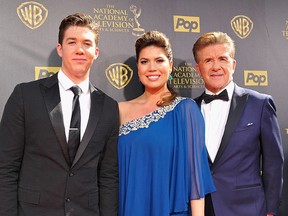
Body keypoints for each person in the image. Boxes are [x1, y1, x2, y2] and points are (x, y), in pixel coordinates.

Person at [0, 13, 119, 216]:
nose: (80, 50)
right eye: (72, 42)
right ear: (60, 49)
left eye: (87, 44)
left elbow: (108, 177)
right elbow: (6, 168)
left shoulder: (108, 107)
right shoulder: (25, 95)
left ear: (96, 52)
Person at [118, 30, 215, 216]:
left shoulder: (185, 110)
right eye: (144, 61)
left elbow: (195, 178)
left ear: (170, 66)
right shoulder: (119, 110)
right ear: (138, 68)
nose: (152, 68)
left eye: (159, 60)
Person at [193, 31, 284, 216]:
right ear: (198, 69)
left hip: (247, 208)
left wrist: (271, 211)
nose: (216, 66)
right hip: (201, 208)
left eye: (223, 59)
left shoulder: (260, 104)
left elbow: (273, 164)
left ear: (233, 65)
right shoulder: (189, 109)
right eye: (208, 60)